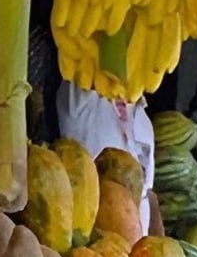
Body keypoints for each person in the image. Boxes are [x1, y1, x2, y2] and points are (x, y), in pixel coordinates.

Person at [55, 81, 157, 232]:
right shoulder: (80, 107)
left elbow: (149, 193)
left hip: (136, 241)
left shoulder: (140, 115)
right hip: (103, 230)